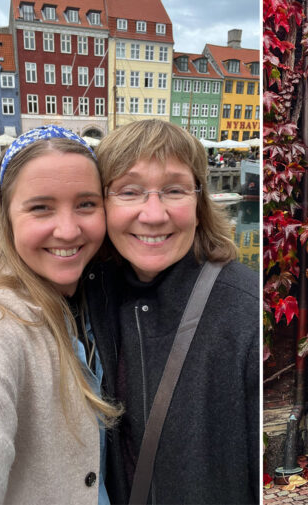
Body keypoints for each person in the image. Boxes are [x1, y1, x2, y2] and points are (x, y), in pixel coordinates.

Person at [85, 120, 259, 504]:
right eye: (129, 191)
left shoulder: (244, 308)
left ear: (199, 202)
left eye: (174, 190)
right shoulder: (91, 292)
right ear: (102, 203)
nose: (153, 214)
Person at [0, 125, 121, 504]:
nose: (67, 229)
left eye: (86, 204)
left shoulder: (96, 295)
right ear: (7, 215)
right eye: (41, 207)